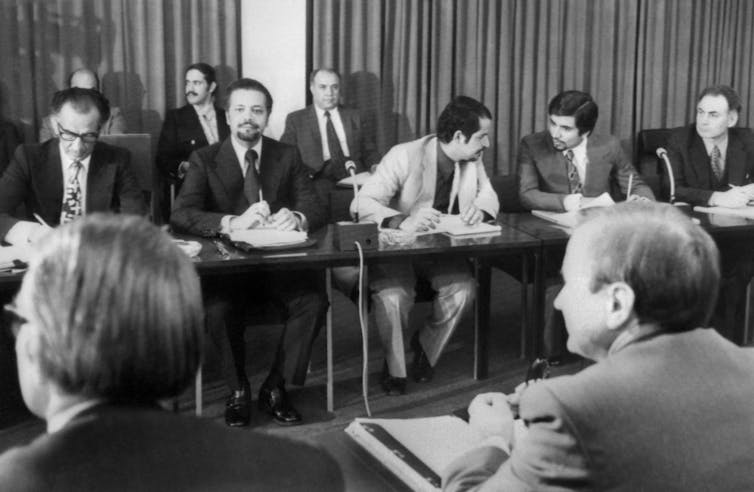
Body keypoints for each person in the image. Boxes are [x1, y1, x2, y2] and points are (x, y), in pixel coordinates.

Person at [0, 214, 344, 491]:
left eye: (18, 321)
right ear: (186, 341)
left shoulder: (17, 480)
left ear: (37, 344)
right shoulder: (307, 470)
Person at [443, 202, 754, 491]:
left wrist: (492, 439)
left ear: (617, 302)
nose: (561, 301)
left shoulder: (572, 410)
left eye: (567, 283)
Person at [171, 78, 328, 427]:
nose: (248, 118)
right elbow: (181, 214)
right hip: (228, 271)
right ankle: (237, 388)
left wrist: (297, 215)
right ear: (227, 117)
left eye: (257, 110)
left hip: (278, 268)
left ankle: (276, 386)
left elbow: (316, 208)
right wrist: (231, 221)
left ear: (267, 116)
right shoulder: (205, 158)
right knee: (218, 310)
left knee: (315, 301)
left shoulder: (286, 155)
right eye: (240, 110)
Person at [353, 95, 499, 395]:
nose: (486, 144)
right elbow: (361, 203)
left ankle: (425, 348)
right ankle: (395, 368)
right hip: (399, 245)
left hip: (438, 248)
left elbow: (489, 194)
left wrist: (480, 210)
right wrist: (402, 220)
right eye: (482, 137)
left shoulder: (472, 158)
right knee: (394, 296)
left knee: (463, 290)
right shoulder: (404, 154)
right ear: (459, 136)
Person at [517, 90, 654, 357]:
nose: (555, 133)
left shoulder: (609, 145)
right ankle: (554, 354)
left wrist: (642, 199)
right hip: (553, 236)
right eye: (553, 123)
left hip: (599, 238)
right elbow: (526, 193)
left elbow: (634, 182)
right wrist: (568, 201)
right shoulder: (532, 144)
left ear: (586, 131)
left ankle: (619, 348)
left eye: (565, 128)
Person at [0, 87, 145, 244]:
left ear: (100, 128)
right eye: (69, 135)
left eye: (89, 136)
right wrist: (34, 232)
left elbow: (135, 220)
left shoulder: (117, 159)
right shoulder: (28, 158)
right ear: (55, 125)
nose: (77, 147)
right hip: (47, 254)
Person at [666, 84, 754, 343]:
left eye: (713, 114)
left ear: (732, 118)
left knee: (739, 270)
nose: (703, 120)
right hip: (697, 234)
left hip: (740, 233)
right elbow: (673, 189)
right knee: (720, 272)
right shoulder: (681, 140)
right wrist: (717, 197)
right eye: (700, 112)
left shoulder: (746, 140)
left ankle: (729, 348)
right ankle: (710, 347)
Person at [280, 67, 380, 205]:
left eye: (335, 87)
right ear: (312, 88)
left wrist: (376, 167)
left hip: (353, 176)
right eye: (323, 87)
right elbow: (287, 156)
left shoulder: (356, 116)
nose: (329, 93)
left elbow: (369, 150)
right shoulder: (296, 120)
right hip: (315, 178)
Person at [155, 62, 230, 221]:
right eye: (187, 83)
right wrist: (184, 166)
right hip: (194, 191)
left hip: (228, 190)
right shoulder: (176, 117)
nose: (190, 89)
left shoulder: (227, 116)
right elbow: (163, 159)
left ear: (211, 87)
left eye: (196, 83)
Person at [38, 68, 126, 142]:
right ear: (69, 92)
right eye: (81, 91)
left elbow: (116, 148)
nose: (87, 96)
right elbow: (47, 155)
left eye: (92, 90)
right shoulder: (51, 122)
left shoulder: (113, 116)